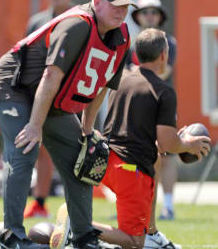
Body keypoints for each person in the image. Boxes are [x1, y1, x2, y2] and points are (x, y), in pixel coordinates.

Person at [0, 0, 135, 249]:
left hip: (49, 95)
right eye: (115, 5)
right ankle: (12, 238)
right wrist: (35, 125)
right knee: (25, 149)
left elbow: (102, 86)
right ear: (97, 2)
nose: (121, 11)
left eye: (125, 6)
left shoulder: (121, 35)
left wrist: (87, 130)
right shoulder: (77, 24)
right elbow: (51, 75)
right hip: (14, 84)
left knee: (83, 158)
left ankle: (83, 237)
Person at [88, 28, 210, 249]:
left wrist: (87, 130)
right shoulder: (164, 91)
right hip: (130, 172)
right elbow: (167, 143)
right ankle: (79, 227)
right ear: (164, 54)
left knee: (155, 160)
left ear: (136, 54)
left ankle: (151, 232)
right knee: (134, 243)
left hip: (105, 164)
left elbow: (150, 139)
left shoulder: (122, 80)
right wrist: (188, 144)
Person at [23, 0, 75, 219]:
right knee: (41, 149)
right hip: (42, 93)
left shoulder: (79, 20)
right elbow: (27, 57)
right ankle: (40, 202)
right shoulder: (37, 22)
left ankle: (76, 204)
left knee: (74, 151)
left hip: (71, 94)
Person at [129, 0, 179, 221]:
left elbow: (162, 72)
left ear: (160, 17)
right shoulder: (128, 42)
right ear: (138, 16)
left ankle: (168, 206)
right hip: (134, 105)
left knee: (166, 155)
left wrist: (134, 76)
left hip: (160, 104)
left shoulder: (169, 41)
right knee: (132, 157)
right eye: (145, 12)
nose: (149, 16)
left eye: (153, 12)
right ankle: (133, 205)